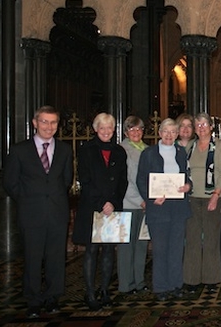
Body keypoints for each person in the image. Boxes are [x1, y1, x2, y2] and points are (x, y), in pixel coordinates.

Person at [3, 106, 73, 318]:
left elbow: (66, 181)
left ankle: (53, 298)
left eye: (53, 123)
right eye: (44, 122)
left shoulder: (64, 150)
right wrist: (28, 201)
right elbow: (10, 183)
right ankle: (33, 300)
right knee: (32, 259)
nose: (49, 127)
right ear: (35, 123)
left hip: (57, 212)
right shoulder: (19, 150)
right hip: (31, 213)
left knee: (55, 258)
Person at [72, 113, 128, 310]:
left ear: (114, 130)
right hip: (92, 207)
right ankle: (89, 292)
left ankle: (104, 290)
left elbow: (123, 181)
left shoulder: (120, 152)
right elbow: (85, 179)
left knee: (108, 250)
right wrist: (101, 203)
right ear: (96, 129)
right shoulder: (86, 150)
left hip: (112, 207)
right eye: (102, 128)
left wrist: (112, 202)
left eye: (110, 128)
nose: (106, 131)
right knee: (92, 250)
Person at [136, 118, 193, 301]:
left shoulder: (181, 152)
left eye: (173, 132)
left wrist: (188, 186)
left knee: (176, 249)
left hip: (178, 208)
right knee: (160, 250)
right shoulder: (149, 153)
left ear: (177, 134)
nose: (169, 135)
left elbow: (187, 176)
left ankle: (176, 285)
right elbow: (141, 180)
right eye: (166, 131)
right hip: (158, 209)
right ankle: (160, 287)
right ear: (159, 133)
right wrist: (151, 198)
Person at [184, 113, 221, 291]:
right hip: (192, 198)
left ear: (211, 127)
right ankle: (191, 278)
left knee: (211, 239)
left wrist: (215, 195)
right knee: (193, 239)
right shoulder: (190, 146)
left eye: (204, 124)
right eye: (198, 125)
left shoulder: (219, 146)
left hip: (213, 197)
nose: (201, 128)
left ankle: (211, 279)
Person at [117, 115, 149, 295]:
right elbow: (126, 180)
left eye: (139, 129)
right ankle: (125, 284)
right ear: (126, 132)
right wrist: (140, 200)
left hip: (145, 204)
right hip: (128, 203)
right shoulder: (122, 150)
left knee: (141, 244)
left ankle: (139, 281)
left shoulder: (147, 149)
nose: (136, 132)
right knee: (126, 247)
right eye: (132, 129)